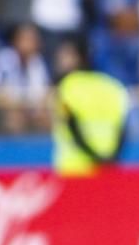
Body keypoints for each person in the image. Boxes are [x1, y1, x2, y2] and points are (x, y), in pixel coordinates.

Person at [53, 42, 129, 177]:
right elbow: (122, 129)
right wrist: (111, 158)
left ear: (79, 57)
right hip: (108, 169)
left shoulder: (67, 86)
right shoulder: (113, 86)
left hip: (74, 169)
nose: (60, 60)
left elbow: (72, 126)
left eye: (65, 56)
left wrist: (94, 157)